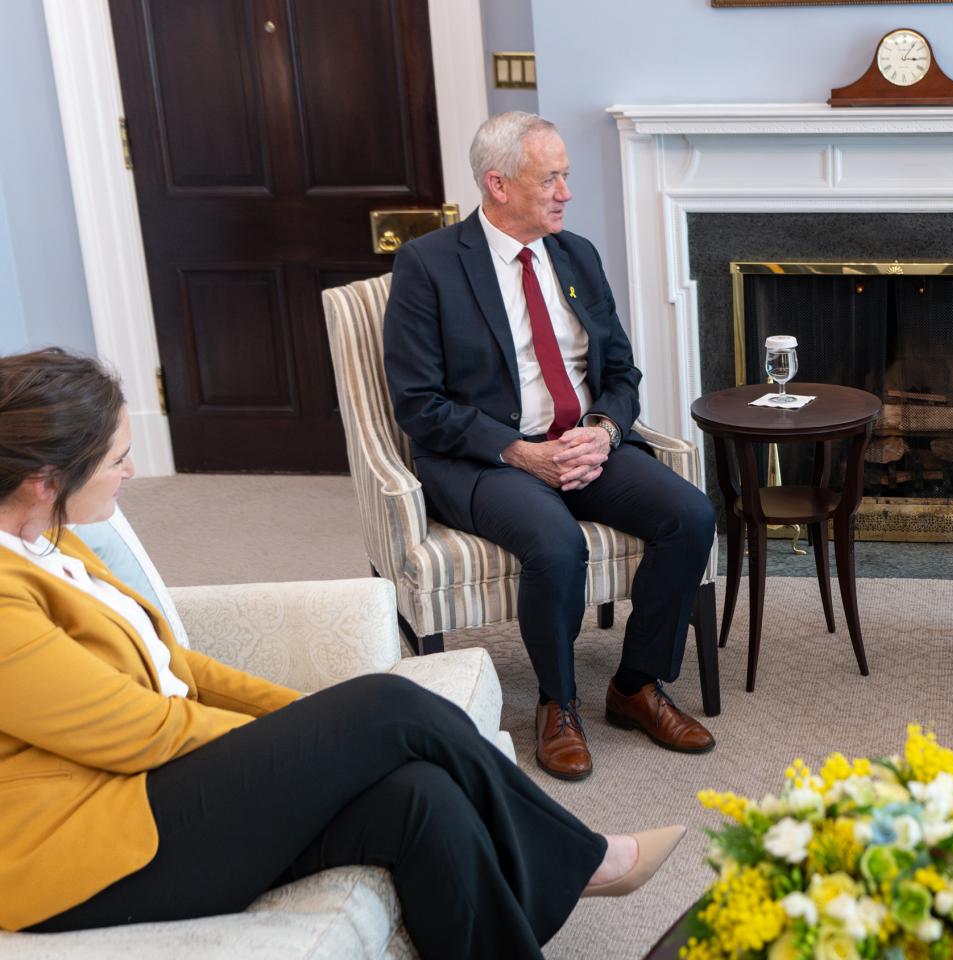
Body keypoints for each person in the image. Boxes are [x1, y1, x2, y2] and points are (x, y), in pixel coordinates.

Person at [0, 349, 683, 954]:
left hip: (151, 790)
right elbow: (137, 733)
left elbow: (178, 665)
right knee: (387, 707)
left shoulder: (50, 536)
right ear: (47, 478)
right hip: (85, 848)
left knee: (417, 796)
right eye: (118, 457)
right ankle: (584, 859)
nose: (132, 469)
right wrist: (302, 744)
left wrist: (311, 721)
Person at [384, 111, 718, 781]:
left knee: (691, 516)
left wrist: (603, 430)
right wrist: (518, 452)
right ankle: (557, 703)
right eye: (552, 178)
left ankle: (636, 684)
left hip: (581, 445)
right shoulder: (430, 265)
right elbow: (419, 405)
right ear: (498, 184)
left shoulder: (577, 256)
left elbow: (622, 374)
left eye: (567, 175)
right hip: (485, 460)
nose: (567, 192)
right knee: (555, 543)